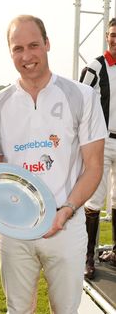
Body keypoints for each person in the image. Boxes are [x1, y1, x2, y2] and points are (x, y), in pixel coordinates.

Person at [0, 15, 107, 314]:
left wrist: (65, 210)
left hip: (66, 225)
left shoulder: (82, 95)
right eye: (18, 48)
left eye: (34, 45)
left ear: (47, 44)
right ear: (9, 52)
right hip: (15, 231)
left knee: (65, 310)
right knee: (18, 310)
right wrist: (8, 216)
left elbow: (93, 166)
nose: (27, 56)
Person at [79, 18, 116, 280]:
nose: (115, 39)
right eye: (113, 34)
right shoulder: (95, 66)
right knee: (93, 200)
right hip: (102, 142)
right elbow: (79, 101)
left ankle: (115, 251)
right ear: (106, 36)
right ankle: (87, 258)